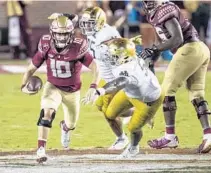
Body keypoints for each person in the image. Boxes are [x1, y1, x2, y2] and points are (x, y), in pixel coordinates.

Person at [21, 15, 100, 163]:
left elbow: (95, 67)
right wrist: (23, 86)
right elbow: (31, 68)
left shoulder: (78, 46)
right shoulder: (46, 45)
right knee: (47, 112)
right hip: (53, 87)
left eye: (64, 33)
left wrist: (93, 86)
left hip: (73, 91)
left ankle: (65, 127)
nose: (61, 36)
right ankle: (41, 150)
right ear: (52, 33)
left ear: (70, 33)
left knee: (72, 124)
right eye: (58, 33)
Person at [140, 1, 211, 153]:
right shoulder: (155, 14)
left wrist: (153, 49)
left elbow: (177, 39)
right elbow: (161, 41)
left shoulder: (165, 9)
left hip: (188, 49)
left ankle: (170, 136)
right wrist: (151, 59)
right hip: (199, 49)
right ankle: (208, 135)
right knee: (196, 94)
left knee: (166, 91)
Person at [85, 38, 163, 157]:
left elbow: (118, 83)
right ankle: (137, 115)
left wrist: (100, 90)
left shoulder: (127, 69)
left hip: (148, 100)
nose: (112, 57)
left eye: (115, 55)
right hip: (132, 92)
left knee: (133, 128)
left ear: (124, 56)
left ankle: (133, 147)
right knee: (110, 113)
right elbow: (127, 48)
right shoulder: (133, 55)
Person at [79, 6, 130, 150]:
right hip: (107, 78)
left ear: (99, 22)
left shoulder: (108, 34)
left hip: (118, 78)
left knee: (110, 112)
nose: (86, 26)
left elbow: (124, 55)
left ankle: (122, 138)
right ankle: (141, 111)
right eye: (85, 23)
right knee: (100, 105)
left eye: (90, 23)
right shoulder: (92, 33)